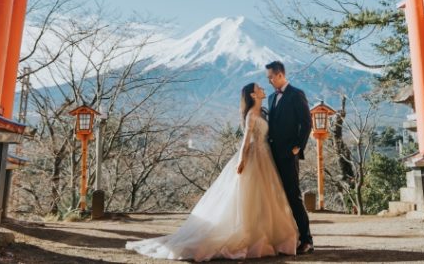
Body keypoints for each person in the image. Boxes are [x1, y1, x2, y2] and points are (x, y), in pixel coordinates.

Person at [125, 82, 299, 261]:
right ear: (253, 95)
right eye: (258, 88)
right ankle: (252, 235)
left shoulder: (263, 113)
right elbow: (246, 141)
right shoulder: (250, 116)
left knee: (265, 198)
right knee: (251, 197)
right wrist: (241, 161)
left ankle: (266, 235)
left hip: (266, 158)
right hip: (254, 158)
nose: (262, 88)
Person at [265, 60, 314, 255]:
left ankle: (307, 239)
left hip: (288, 154)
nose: (269, 81)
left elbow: (306, 122)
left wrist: (297, 148)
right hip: (271, 154)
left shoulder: (296, 94)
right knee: (276, 196)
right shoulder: (270, 97)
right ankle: (285, 238)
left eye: (270, 77)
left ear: (279, 75)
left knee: (294, 196)